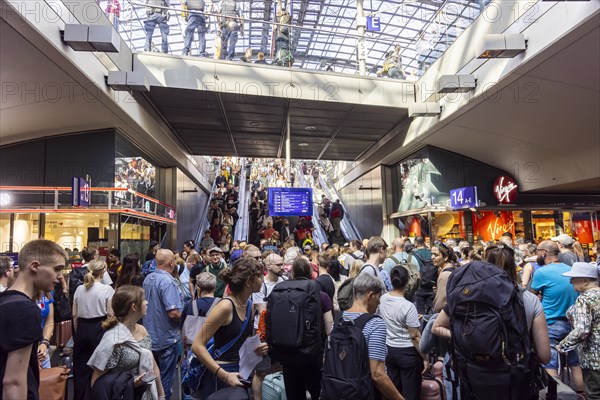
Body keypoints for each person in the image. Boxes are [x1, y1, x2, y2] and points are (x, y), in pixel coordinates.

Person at [432, 245, 551, 400]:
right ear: (514, 268)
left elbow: (437, 326)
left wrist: (465, 336)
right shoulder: (528, 300)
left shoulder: (468, 297)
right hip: (513, 379)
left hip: (473, 378)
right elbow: (545, 356)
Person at [191, 258, 267, 399]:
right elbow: (197, 345)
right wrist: (224, 376)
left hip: (240, 371)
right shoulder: (225, 306)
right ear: (249, 282)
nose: (263, 279)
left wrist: (256, 348)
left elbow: (242, 340)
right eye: (260, 276)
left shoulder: (249, 306)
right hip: (221, 373)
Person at [0, 240, 66, 400]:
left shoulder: (5, 300)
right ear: (35, 266)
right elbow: (13, 382)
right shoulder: (26, 310)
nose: (59, 277)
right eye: (56, 269)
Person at [89, 285, 165, 400]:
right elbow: (97, 382)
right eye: (143, 300)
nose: (147, 302)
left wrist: (161, 396)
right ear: (134, 307)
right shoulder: (113, 340)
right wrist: (131, 384)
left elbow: (153, 367)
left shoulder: (143, 330)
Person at [342, 273, 405, 399]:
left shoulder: (339, 319)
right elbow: (377, 374)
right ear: (371, 295)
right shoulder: (375, 324)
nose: (379, 302)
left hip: (338, 390)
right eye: (379, 297)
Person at [530, 240, 583, 391]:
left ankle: (555, 394)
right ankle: (582, 395)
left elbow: (532, 296)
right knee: (575, 364)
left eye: (538, 251)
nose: (536, 254)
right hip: (573, 324)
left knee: (550, 365)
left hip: (551, 323)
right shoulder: (571, 269)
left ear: (544, 253)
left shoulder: (542, 272)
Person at [378, 265, 428, 400]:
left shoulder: (382, 299)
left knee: (394, 392)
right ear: (407, 281)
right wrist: (425, 358)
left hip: (390, 350)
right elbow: (415, 336)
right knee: (410, 393)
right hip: (408, 353)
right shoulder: (408, 306)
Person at [143, 249, 183, 400]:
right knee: (165, 382)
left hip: (150, 336)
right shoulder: (168, 281)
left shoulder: (148, 278)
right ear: (171, 263)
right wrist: (185, 316)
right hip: (167, 338)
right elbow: (173, 312)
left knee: (152, 379)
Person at [72, 259, 115, 400]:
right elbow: (110, 314)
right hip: (99, 328)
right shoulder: (107, 289)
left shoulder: (79, 289)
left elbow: (74, 314)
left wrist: (78, 331)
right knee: (101, 368)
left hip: (82, 328)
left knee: (80, 369)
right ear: (103, 271)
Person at [557, 262, 600, 399]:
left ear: (586, 280)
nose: (570, 281)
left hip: (593, 358)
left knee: (594, 394)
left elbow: (582, 330)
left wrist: (563, 345)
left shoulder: (584, 299)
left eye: (574, 278)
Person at [431, 241, 457, 313]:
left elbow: (440, 304)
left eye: (436, 255)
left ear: (445, 258)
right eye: (432, 254)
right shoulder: (452, 267)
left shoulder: (444, 275)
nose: (432, 257)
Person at [412, 237, 435, 315]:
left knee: (420, 312)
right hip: (432, 285)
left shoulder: (413, 255)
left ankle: (422, 326)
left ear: (416, 243)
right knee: (431, 310)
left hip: (420, 285)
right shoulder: (431, 253)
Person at [36, 290, 55, 369]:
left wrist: (44, 343)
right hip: (24, 351)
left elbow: (49, 320)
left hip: (42, 349)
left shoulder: (47, 291)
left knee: (48, 379)